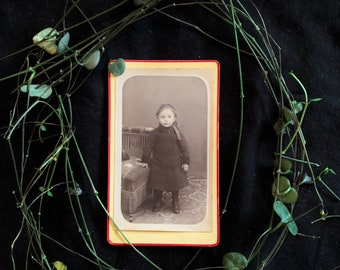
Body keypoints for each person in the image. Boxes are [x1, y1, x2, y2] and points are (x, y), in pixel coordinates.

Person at [138, 104, 190, 214]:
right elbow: (148, 147)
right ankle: (158, 200)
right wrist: (145, 160)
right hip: (158, 163)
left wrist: (185, 161)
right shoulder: (155, 133)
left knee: (175, 182)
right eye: (163, 117)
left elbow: (184, 147)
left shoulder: (177, 132)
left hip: (175, 163)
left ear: (174, 118)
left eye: (169, 117)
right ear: (158, 118)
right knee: (158, 182)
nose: (166, 120)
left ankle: (175, 201)